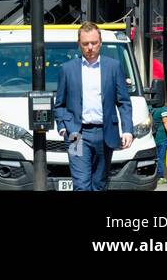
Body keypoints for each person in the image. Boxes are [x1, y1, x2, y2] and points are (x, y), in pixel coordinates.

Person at [53, 22, 133, 191]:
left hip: (105, 132)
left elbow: (123, 101)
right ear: (79, 44)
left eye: (94, 43)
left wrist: (127, 130)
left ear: (100, 43)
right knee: (81, 185)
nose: (90, 47)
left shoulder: (113, 67)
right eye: (85, 44)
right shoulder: (67, 69)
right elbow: (59, 104)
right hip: (76, 134)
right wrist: (62, 127)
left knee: (99, 184)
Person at [150, 93, 167, 184]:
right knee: (161, 157)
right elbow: (165, 122)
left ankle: (153, 175)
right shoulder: (163, 109)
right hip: (162, 137)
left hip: (152, 137)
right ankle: (160, 176)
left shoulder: (150, 108)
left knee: (154, 157)